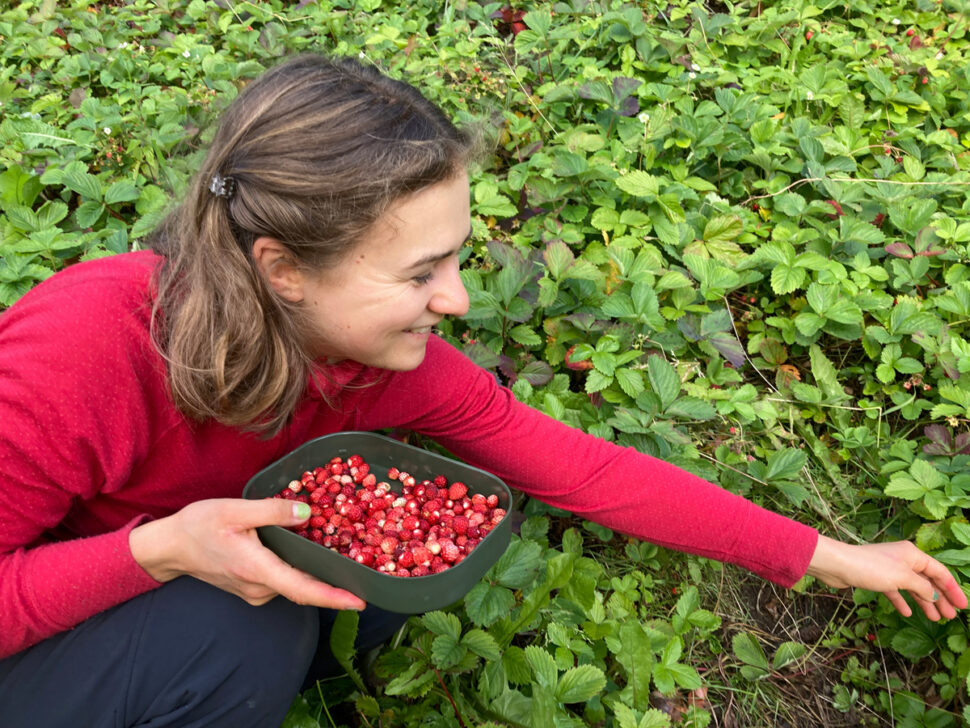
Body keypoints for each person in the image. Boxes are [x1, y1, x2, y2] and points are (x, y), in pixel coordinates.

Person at [0, 54, 964, 727]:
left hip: (143, 581)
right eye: (421, 273)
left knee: (357, 578)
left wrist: (825, 555)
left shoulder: (372, 364)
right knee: (233, 629)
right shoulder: (89, 349)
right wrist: (161, 551)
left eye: (455, 257)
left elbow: (582, 469)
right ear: (283, 268)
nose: (456, 300)